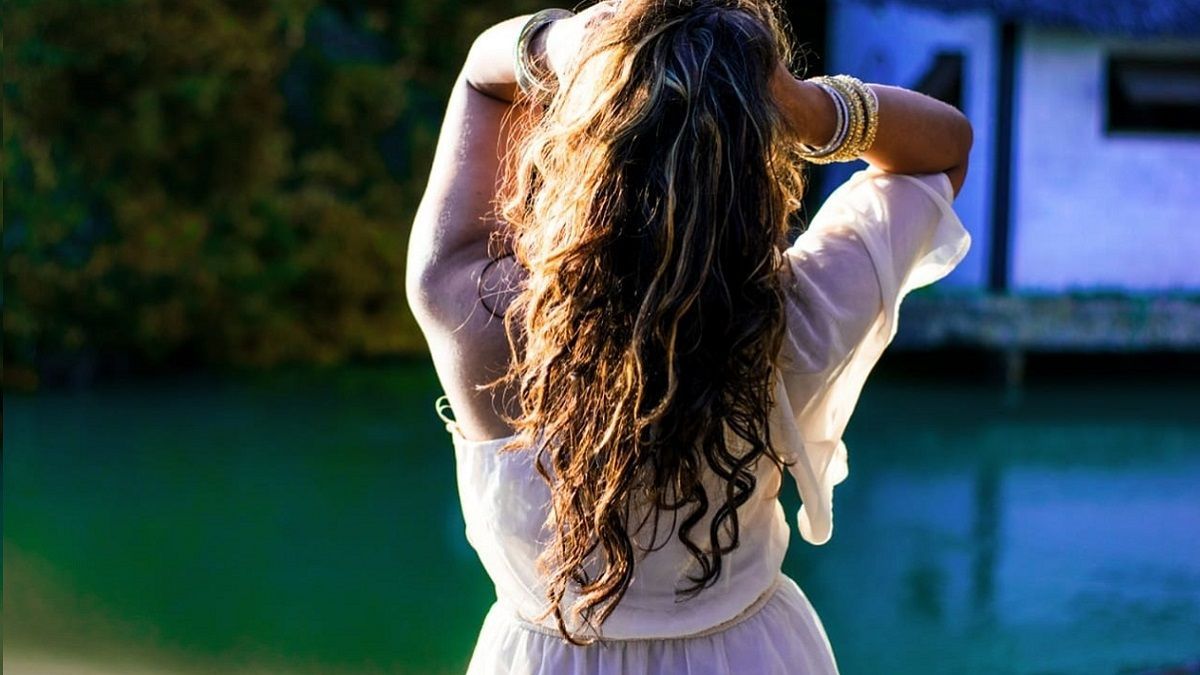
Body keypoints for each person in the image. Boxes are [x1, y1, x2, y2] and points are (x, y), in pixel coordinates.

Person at [406, 0, 972, 672]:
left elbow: (482, 78)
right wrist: (806, 107)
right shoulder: (796, 318)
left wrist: (561, 42)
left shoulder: (472, 303)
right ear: (757, 170)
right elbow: (943, 151)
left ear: (585, 146)